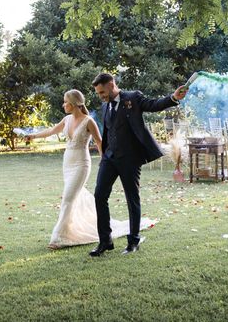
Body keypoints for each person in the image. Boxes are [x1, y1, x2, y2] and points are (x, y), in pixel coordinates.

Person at [27, 89, 152, 249]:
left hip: (81, 164)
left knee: (67, 198)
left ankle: (58, 238)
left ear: (73, 104)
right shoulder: (66, 120)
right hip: (68, 163)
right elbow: (51, 131)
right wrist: (33, 136)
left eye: (66, 102)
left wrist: (104, 161)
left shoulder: (88, 121)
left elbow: (99, 142)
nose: (63, 104)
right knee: (72, 197)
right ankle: (76, 229)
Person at [90, 73, 187, 256]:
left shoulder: (133, 98)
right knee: (99, 195)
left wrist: (173, 98)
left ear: (111, 85)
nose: (101, 96)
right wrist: (105, 154)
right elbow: (109, 131)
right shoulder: (105, 105)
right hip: (109, 158)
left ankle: (133, 241)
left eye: (102, 91)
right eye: (98, 93)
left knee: (132, 199)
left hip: (129, 159)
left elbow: (153, 105)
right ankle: (105, 241)